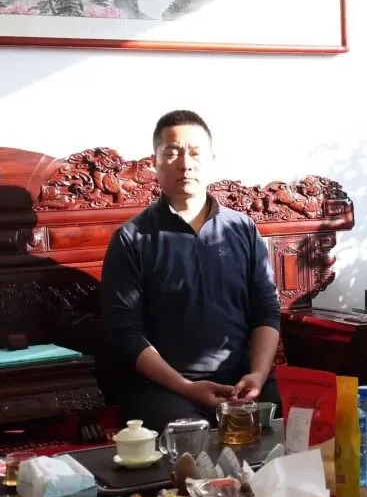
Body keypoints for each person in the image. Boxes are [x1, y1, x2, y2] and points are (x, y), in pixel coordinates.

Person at [101, 110, 282, 431]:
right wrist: (185, 386)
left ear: (211, 160)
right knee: (191, 435)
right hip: (166, 388)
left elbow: (266, 310)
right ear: (154, 163)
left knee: (303, 415)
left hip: (242, 380)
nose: (185, 164)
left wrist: (257, 374)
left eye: (195, 153)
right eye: (172, 153)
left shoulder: (242, 229)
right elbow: (124, 333)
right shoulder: (132, 239)